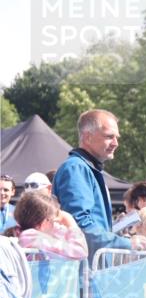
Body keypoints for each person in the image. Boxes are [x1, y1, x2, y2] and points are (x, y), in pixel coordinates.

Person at [52, 109, 135, 255]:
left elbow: (88, 224)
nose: (116, 143)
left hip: (90, 263)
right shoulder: (76, 168)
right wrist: (129, 244)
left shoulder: (85, 168)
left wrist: (115, 226)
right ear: (87, 137)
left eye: (116, 137)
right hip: (83, 266)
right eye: (109, 136)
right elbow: (81, 225)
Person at [9, 190, 87, 259]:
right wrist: (70, 222)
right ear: (44, 221)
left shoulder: (27, 234)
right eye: (53, 220)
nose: (57, 224)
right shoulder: (31, 237)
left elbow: (60, 235)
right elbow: (80, 251)